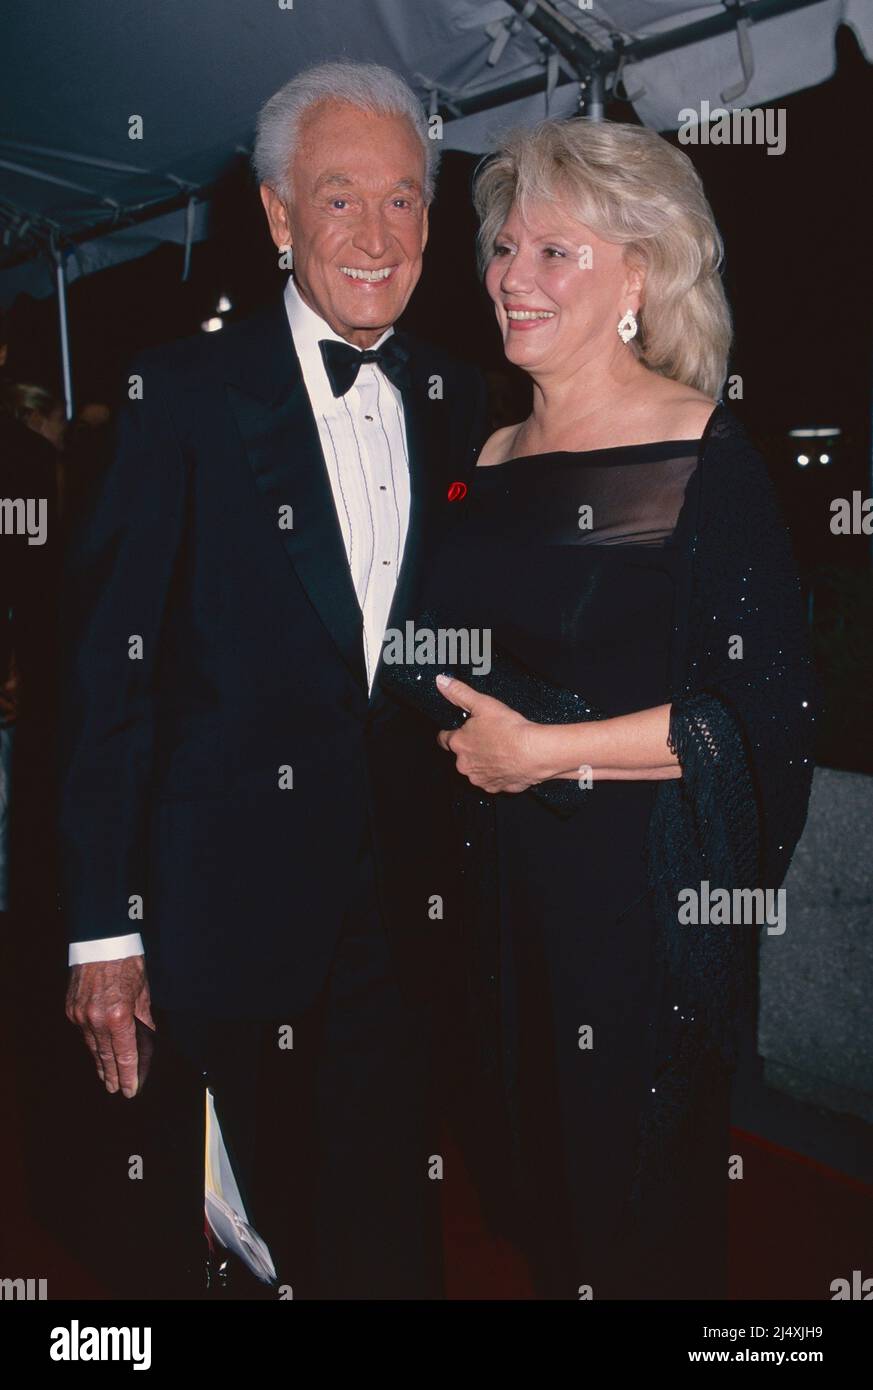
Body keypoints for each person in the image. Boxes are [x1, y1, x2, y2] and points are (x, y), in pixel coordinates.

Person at [59, 61, 487, 1300]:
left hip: (405, 923)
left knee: (388, 1239)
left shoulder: (461, 397)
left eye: (403, 200)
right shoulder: (181, 396)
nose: (377, 235)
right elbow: (106, 675)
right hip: (223, 925)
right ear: (277, 216)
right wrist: (104, 931)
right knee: (239, 1247)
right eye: (339, 198)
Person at [423, 118, 817, 1299]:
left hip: (638, 891)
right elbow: (457, 638)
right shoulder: (492, 453)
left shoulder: (702, 450)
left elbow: (758, 713)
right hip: (504, 889)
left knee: (630, 1201)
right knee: (540, 1186)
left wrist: (542, 750)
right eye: (506, 246)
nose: (513, 275)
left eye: (556, 251)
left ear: (638, 277)